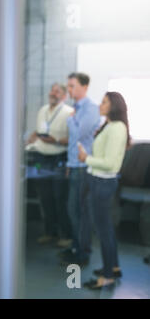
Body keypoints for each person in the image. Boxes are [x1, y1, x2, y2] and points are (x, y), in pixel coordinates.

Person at [78, 92, 130, 289]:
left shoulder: (117, 128)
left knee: (104, 231)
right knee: (105, 228)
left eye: (105, 102)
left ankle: (107, 276)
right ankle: (113, 267)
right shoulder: (109, 125)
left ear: (114, 105)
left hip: (103, 183)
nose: (100, 104)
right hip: (98, 180)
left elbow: (109, 164)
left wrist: (86, 159)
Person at [60, 73, 100, 266]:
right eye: (68, 86)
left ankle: (82, 253)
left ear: (85, 86)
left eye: (72, 86)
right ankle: (77, 247)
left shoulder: (91, 109)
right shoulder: (76, 109)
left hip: (84, 168)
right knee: (72, 210)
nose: (69, 90)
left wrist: (71, 120)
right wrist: (69, 165)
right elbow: (73, 144)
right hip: (75, 166)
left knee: (79, 213)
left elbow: (79, 133)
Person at [26, 83, 73, 248]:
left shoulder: (69, 113)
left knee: (60, 198)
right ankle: (49, 233)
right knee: (44, 197)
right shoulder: (42, 110)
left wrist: (57, 140)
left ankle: (65, 235)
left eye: (57, 91)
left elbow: (74, 139)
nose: (53, 93)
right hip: (40, 159)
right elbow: (39, 131)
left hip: (58, 158)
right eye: (52, 90)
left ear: (64, 96)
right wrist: (33, 136)